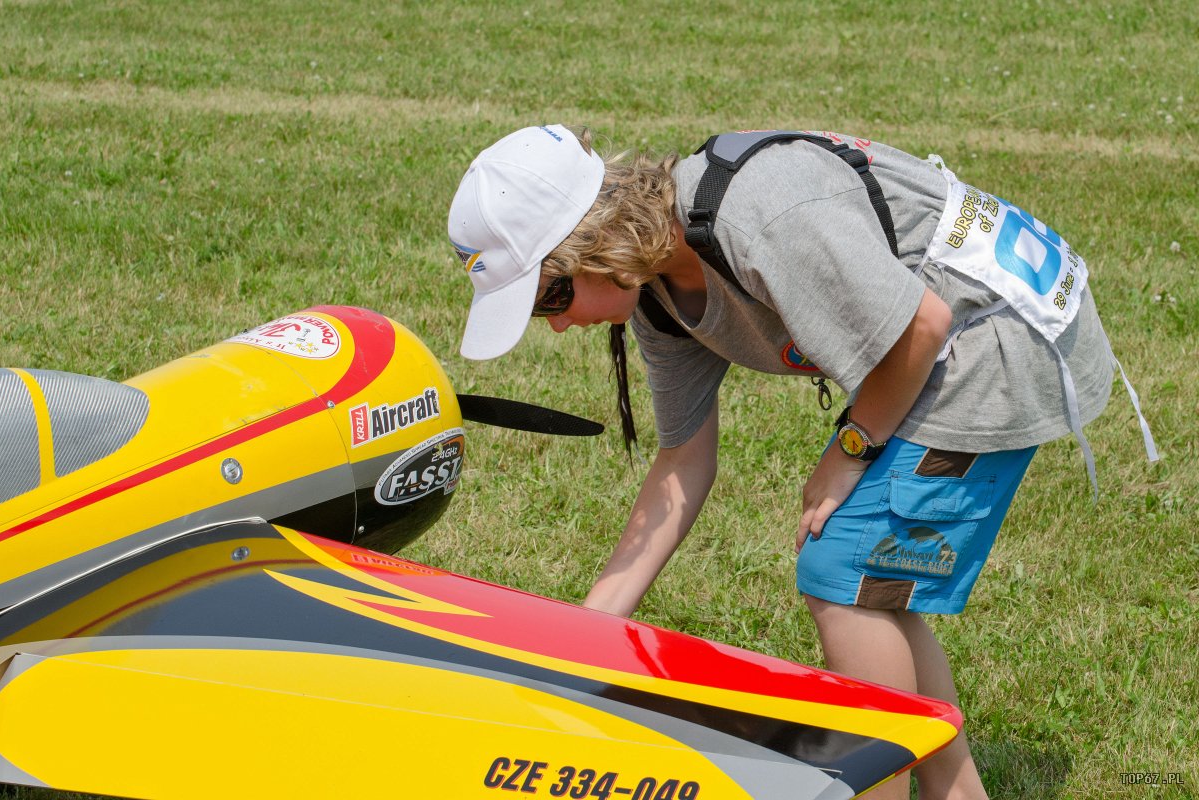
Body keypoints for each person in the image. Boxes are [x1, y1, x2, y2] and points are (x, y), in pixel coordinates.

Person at [447, 123, 1153, 799]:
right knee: (862, 584)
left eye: (556, 295)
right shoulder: (659, 296)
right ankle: (953, 790)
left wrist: (851, 449)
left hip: (997, 338)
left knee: (840, 575)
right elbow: (683, 461)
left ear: (599, 241)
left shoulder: (757, 217)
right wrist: (584, 632)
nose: (562, 323)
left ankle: (887, 788)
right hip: (934, 347)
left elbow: (924, 326)